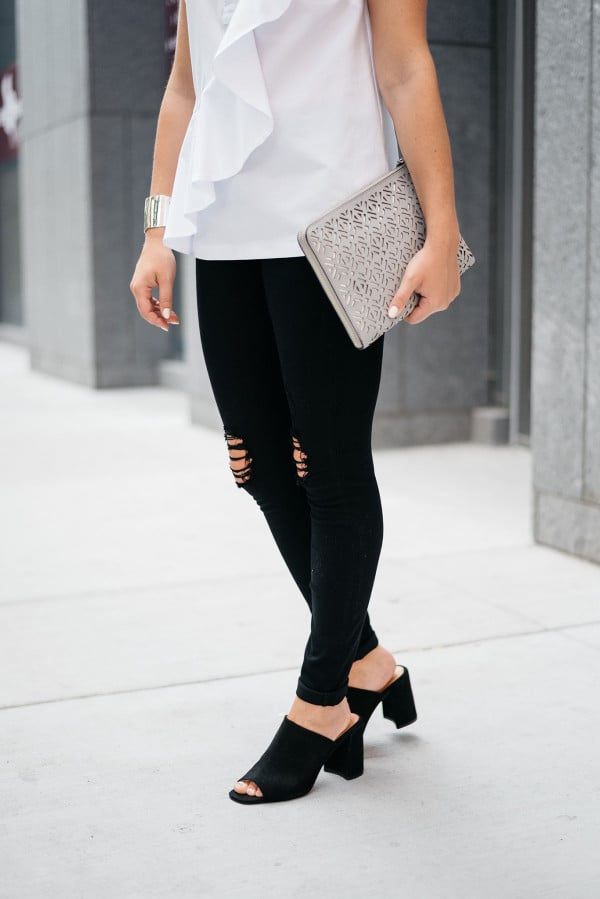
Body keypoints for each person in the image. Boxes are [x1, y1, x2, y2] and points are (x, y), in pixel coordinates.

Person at [130, 0, 462, 805]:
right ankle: (369, 660)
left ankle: (322, 705)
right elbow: (186, 87)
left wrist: (441, 229)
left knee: (333, 468)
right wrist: (156, 229)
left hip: (331, 219)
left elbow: (406, 65)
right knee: (255, 461)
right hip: (227, 226)